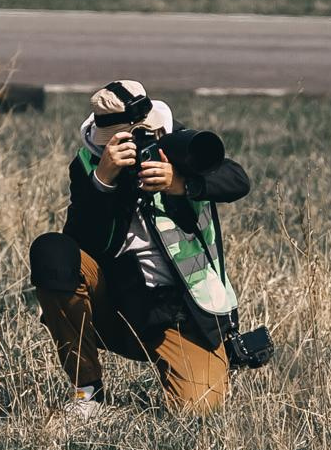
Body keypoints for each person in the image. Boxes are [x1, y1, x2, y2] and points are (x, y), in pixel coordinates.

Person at [29, 80, 251, 415]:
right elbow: (77, 243)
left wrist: (180, 183)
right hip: (116, 300)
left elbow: (237, 180)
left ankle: (206, 361)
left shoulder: (177, 144)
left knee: (198, 409)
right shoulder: (89, 164)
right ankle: (86, 391)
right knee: (52, 253)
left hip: (181, 310)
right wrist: (103, 181)